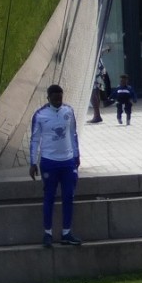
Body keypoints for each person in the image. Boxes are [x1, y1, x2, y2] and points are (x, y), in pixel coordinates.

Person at [29, 83, 81, 246]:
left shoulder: (68, 111)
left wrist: (76, 155)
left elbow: (73, 133)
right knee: (49, 197)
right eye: (55, 98)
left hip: (67, 161)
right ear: (49, 98)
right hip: (49, 162)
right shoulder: (40, 115)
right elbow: (35, 139)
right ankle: (48, 233)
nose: (59, 100)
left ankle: (66, 232)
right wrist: (32, 162)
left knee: (68, 196)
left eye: (61, 97)